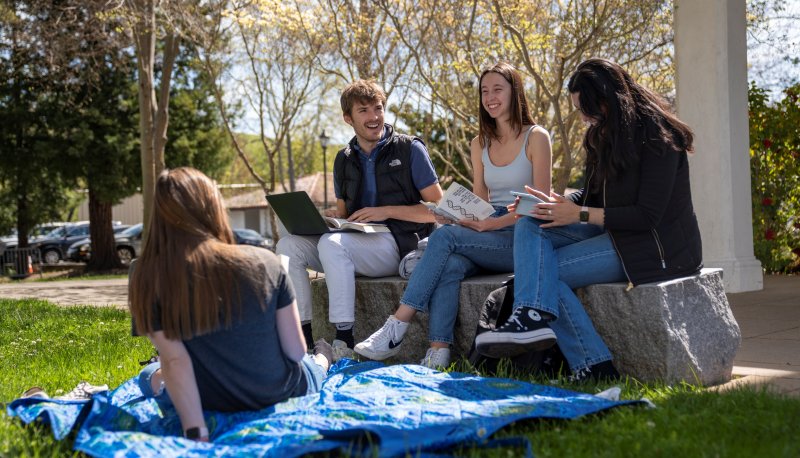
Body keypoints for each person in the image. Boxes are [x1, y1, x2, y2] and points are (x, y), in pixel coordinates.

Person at [475, 58, 703, 381]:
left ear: (609, 99)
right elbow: (592, 194)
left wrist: (579, 214)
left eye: (586, 109)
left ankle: (592, 364)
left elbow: (648, 216)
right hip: (611, 232)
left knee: (543, 275)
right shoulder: (603, 134)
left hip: (653, 247)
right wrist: (556, 204)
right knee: (529, 220)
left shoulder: (659, 137)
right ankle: (533, 320)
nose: (583, 118)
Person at [354, 62, 552, 369]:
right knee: (449, 263)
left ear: (515, 92)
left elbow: (538, 205)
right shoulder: (479, 143)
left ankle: (397, 325)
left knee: (444, 239)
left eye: (497, 89)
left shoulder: (537, 137)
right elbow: (480, 202)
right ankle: (438, 353)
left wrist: (491, 224)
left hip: (523, 234)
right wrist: (458, 216)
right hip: (488, 231)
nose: (490, 97)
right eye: (484, 91)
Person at [129, 167, 333, 442]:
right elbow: (295, 352)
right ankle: (324, 356)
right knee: (311, 363)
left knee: (149, 374)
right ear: (214, 207)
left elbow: (176, 361)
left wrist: (196, 431)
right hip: (279, 393)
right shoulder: (266, 262)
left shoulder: (145, 275)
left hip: (207, 397)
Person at [276, 79, 443, 360]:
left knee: (332, 245)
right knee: (288, 246)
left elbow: (439, 209)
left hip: (401, 244)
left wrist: (387, 211)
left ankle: (343, 341)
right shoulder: (343, 159)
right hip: (357, 243)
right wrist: (332, 217)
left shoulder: (409, 149)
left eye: (378, 108)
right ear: (348, 118)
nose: (374, 116)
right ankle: (303, 341)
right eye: (363, 110)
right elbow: (343, 212)